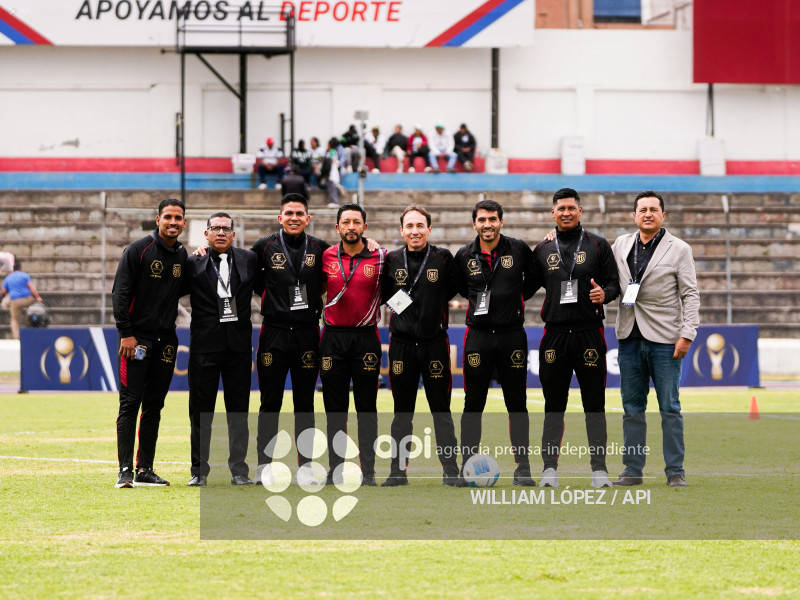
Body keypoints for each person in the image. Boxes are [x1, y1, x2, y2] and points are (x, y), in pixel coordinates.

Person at [531, 188, 620, 489]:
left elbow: (614, 284)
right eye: (560, 208)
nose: (566, 213)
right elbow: (525, 285)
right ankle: (549, 471)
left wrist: (604, 294)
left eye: (571, 208)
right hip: (554, 335)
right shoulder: (543, 249)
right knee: (553, 405)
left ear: (580, 211)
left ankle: (599, 471)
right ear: (552, 213)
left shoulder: (597, 245)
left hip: (588, 334)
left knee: (594, 405)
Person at [611, 191, 699, 488]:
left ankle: (675, 471)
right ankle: (632, 471)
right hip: (629, 337)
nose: (647, 214)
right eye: (642, 210)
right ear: (633, 216)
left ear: (663, 215)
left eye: (653, 209)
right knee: (631, 409)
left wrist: (687, 334)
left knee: (670, 408)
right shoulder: (621, 245)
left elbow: (690, 294)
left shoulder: (680, 248)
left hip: (665, 339)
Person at [451, 199, 537, 487]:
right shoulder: (464, 255)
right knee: (472, 404)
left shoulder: (519, 249)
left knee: (518, 403)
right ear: (474, 223)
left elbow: (534, 280)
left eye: (492, 219)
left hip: (513, 336)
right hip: (478, 337)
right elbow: (463, 289)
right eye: (482, 220)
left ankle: (522, 467)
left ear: (501, 221)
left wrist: (511, 299)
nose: (487, 224)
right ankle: (467, 465)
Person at [250, 194, 331, 485]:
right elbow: (250, 277)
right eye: (289, 213)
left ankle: (306, 467)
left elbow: (327, 279)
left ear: (307, 218)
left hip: (308, 332)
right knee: (269, 402)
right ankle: (263, 467)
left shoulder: (321, 248)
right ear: (279, 217)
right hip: (273, 331)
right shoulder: (264, 246)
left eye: (300, 213)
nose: (294, 217)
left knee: (305, 403)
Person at [381, 206, 462, 487]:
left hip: (435, 344)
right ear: (401, 230)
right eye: (409, 226)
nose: (414, 231)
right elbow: (385, 296)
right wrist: (408, 308)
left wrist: (428, 308)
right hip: (402, 344)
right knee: (402, 412)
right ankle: (397, 471)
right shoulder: (391, 260)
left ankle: (450, 469)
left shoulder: (443, 258)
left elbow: (450, 289)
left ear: (429, 229)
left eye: (420, 226)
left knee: (442, 410)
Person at [111, 198, 188, 488]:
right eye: (168, 217)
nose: (173, 222)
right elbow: (120, 294)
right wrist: (126, 333)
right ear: (158, 220)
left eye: (178, 218)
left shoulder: (182, 255)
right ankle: (125, 471)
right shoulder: (137, 250)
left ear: (183, 222)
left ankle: (145, 469)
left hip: (166, 340)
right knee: (130, 403)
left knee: (154, 405)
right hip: (136, 339)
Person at [183, 212, 258, 487]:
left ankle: (239, 471)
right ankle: (199, 471)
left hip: (238, 348)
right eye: (215, 228)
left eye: (226, 228)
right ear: (206, 234)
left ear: (234, 234)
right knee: (201, 413)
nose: (221, 233)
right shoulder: (193, 262)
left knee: (238, 413)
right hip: (204, 347)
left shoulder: (249, 259)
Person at [320, 204, 387, 487]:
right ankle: (335, 469)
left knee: (366, 407)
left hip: (365, 339)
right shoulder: (325, 256)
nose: (351, 227)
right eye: (345, 222)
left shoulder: (380, 256)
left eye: (356, 222)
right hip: (332, 338)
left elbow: (396, 292)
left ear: (364, 227)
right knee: (335, 410)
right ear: (337, 228)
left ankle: (368, 472)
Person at [1, 257, 42, 339]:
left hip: (14, 301)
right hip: (27, 299)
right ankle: (29, 328)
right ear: (21, 268)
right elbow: (31, 287)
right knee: (32, 313)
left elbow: (4, 291)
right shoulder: (25, 275)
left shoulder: (8, 277)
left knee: (14, 319)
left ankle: (17, 336)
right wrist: (38, 297)